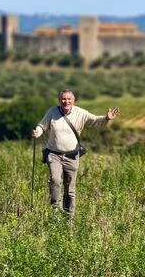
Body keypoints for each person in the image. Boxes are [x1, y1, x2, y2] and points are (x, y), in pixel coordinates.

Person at [31, 89, 120, 220]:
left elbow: (95, 120)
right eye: (63, 99)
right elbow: (42, 126)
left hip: (72, 156)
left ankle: (69, 218)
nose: (66, 101)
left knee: (70, 189)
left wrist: (106, 118)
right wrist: (37, 132)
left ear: (73, 101)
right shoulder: (52, 112)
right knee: (55, 180)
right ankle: (55, 210)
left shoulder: (81, 113)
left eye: (69, 99)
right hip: (54, 154)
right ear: (59, 100)